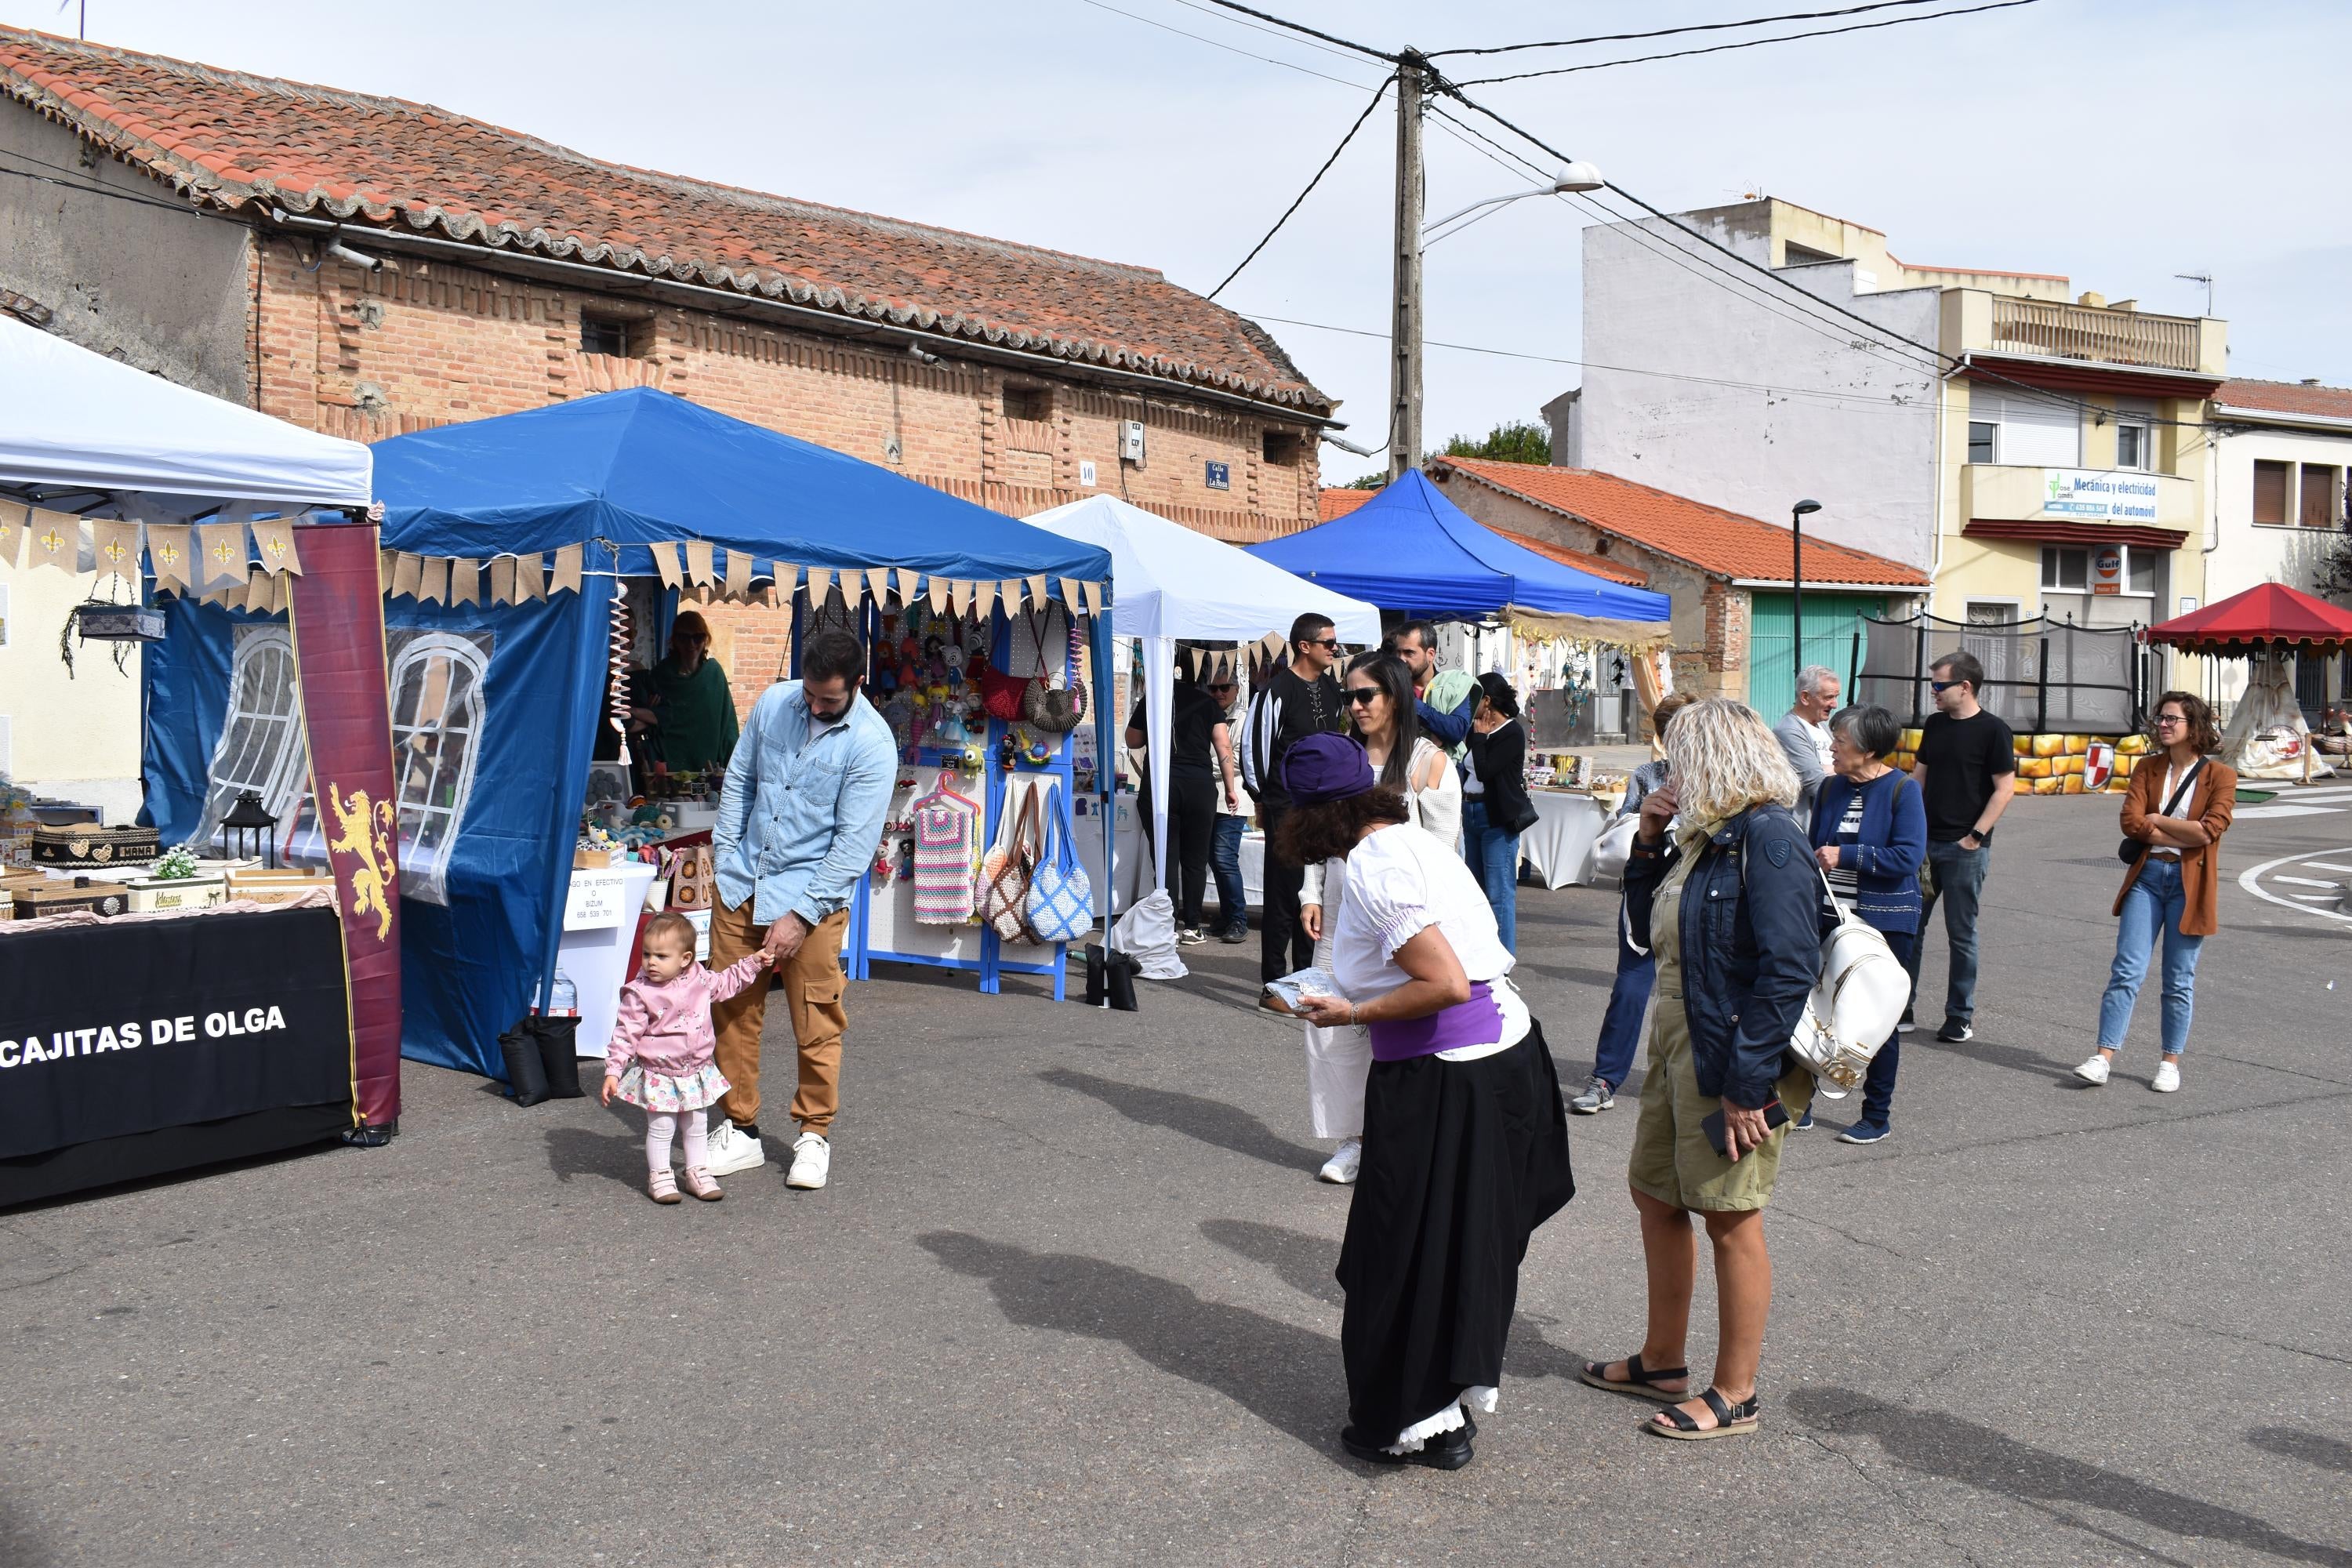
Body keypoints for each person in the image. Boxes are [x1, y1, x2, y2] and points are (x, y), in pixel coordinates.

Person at [1277, 732, 1574, 1469]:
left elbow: (1442, 982)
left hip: (1449, 1074)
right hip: (1502, 1055)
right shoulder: (1410, 843)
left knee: (1402, 1254)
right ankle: (1446, 1416)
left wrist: (1351, 1014)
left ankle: (1407, 1416)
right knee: (1463, 1247)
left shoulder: (1375, 872)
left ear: (1314, 817)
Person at [1581, 699, 1818, 1441]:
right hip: (1680, 1028)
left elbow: (1788, 968)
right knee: (1655, 1192)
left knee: (1730, 1213)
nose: (1668, 769)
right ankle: (1662, 1359)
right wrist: (1648, 843)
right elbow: (1649, 933)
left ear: (1715, 759)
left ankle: (1736, 1392)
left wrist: (1749, 1082)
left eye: (1680, 756)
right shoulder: (1702, 838)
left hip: (1732, 1044)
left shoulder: (1769, 837)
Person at [701, 629, 896, 1191]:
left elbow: (853, 847)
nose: (814, 705)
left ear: (857, 685)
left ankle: (815, 1134)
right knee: (731, 1011)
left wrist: (801, 915)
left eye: (828, 699)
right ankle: (740, 1129)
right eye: (809, 694)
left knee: (816, 1018)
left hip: (813, 897)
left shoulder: (872, 743)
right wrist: (726, 856)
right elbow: (740, 779)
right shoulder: (771, 703)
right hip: (743, 884)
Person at [1297, 653, 1461, 1185]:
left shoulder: (1427, 763)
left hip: (1399, 916)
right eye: (1348, 696)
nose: (1356, 705)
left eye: (1366, 695)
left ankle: (1400, 1140)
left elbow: (1443, 851)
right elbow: (1319, 826)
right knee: (1327, 1022)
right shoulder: (1342, 754)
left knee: (1393, 1025)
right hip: (1343, 904)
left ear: (1395, 696)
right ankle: (1353, 1139)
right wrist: (1311, 891)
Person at [2074, 692, 2234, 1094]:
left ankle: (2169, 1062)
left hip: (2189, 884)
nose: (2163, 725)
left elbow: (2209, 830)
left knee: (2179, 979)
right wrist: (2178, 833)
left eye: (2172, 719)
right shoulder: (2148, 768)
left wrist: (2159, 822)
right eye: (2161, 718)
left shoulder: (2221, 777)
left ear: (2193, 727)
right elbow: (2131, 822)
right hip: (2147, 878)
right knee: (2126, 970)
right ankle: (2103, 1057)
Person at [1571, 690, 1696, 1115]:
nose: (1679, 741)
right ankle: (1605, 1078)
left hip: (1700, 896)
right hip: (1646, 891)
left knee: (1703, 990)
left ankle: (1700, 1083)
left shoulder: (1715, 776)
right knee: (1631, 985)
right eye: (1671, 733)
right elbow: (1626, 828)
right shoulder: (1647, 774)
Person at [1807, 703, 1926, 1143]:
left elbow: (1908, 858)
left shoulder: (1902, 790)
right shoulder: (1830, 788)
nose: (1833, 746)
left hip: (1884, 922)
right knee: (1817, 1009)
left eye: (1840, 740)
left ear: (1868, 748)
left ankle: (1876, 1115)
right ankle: (1802, 1103)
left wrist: (1847, 855)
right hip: (1828, 914)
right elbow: (1812, 845)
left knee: (1878, 1018)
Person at [601, 913, 768, 1203]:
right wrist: (614, 1071)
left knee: (696, 1123)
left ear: (685, 958)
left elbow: (728, 983)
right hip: (660, 1072)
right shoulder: (640, 993)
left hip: (696, 1069)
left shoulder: (699, 979)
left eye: (661, 956)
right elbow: (625, 1033)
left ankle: (697, 1171)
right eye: (647, 954)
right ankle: (660, 1175)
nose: (651, 962)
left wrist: (753, 963)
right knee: (662, 1125)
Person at [1902, 651, 2016, 1044]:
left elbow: (2005, 789)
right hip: (1925, 845)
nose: (1933, 692)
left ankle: (1959, 1016)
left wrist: (1976, 836)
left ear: (1965, 687)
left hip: (1966, 849)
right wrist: (1908, 828)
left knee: (1961, 934)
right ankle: (1902, 1007)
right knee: (1909, 928)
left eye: (1939, 686)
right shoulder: (1934, 725)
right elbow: (1919, 777)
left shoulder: (1994, 730)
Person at [1241, 613, 1348, 987]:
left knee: (1315, 889)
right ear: (1305, 646)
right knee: (1283, 893)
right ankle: (1273, 981)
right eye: (1329, 643)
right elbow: (1254, 748)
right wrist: (1264, 798)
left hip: (1325, 807)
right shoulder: (1276, 690)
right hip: (1285, 806)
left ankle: (1308, 976)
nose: (1336, 649)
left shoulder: (1333, 690)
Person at [1125, 661, 1233, 946]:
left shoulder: (1153, 701)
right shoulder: (1207, 704)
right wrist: (1231, 788)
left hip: (1161, 785)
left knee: (1165, 857)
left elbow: (1132, 740)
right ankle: (1194, 925)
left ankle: (1167, 923)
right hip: (1199, 785)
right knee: (1195, 861)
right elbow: (1224, 746)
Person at [1460, 672, 1537, 953]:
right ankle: (1480, 954)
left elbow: (1486, 770)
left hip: (1496, 818)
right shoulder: (1475, 728)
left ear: (1487, 700)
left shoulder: (1511, 732)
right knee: (1476, 892)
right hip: (1470, 812)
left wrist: (1479, 739)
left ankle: (1503, 959)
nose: (1469, 704)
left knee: (1499, 893)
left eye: (1473, 698)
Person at [630, 610, 739, 775]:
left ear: (706, 639)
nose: (691, 644)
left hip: (708, 764)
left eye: (698, 637)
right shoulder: (660, 675)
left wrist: (734, 767)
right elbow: (653, 721)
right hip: (668, 766)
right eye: (684, 637)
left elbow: (728, 724)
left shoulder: (714, 674)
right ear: (674, 640)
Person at [1206, 669, 1252, 944]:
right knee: (1215, 858)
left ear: (1236, 689)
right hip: (1210, 795)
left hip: (1232, 797)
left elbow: (1235, 759)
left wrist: (1199, 765)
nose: (1219, 693)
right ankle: (1226, 915)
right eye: (1213, 688)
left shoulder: (1243, 718)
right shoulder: (1208, 712)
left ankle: (1238, 918)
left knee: (1224, 859)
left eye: (1225, 688)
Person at [1390, 619, 1479, 757]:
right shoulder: (1390, 687)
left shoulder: (1454, 684)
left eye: (1409, 653)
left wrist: (1411, 703)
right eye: (1398, 653)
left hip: (1444, 771)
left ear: (1430, 654)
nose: (1401, 659)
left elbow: (1456, 731)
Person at [1773, 665, 1840, 823]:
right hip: (1807, 830)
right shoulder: (1788, 731)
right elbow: (1817, 784)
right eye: (1828, 697)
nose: (1835, 704)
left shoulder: (1823, 726)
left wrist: (1832, 769)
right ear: (1805, 697)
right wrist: (1844, 770)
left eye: (1836, 697)